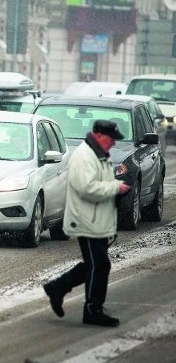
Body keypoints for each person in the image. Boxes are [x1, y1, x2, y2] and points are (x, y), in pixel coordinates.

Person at [43, 120, 130, 327]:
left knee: (95, 264)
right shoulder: (85, 156)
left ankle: (57, 287)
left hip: (96, 219)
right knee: (99, 264)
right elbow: (86, 188)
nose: (113, 144)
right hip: (87, 220)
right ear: (99, 136)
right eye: (111, 139)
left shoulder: (99, 154)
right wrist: (115, 188)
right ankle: (92, 309)